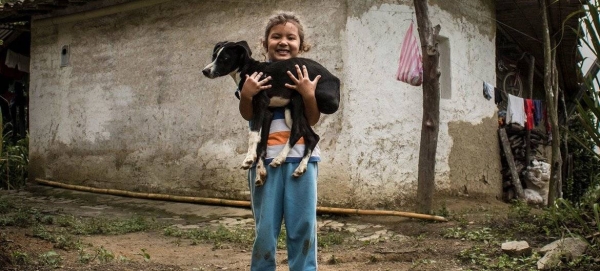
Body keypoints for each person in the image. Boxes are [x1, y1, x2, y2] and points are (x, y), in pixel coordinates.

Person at [237, 12, 321, 271]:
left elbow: (313, 119)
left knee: (303, 226)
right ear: (265, 44)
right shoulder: (254, 77)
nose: (283, 42)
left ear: (301, 45)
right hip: (264, 163)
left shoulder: (306, 75)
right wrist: (247, 94)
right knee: (265, 227)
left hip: (302, 162)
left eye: (290, 37)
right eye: (276, 36)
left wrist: (308, 94)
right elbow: (248, 115)